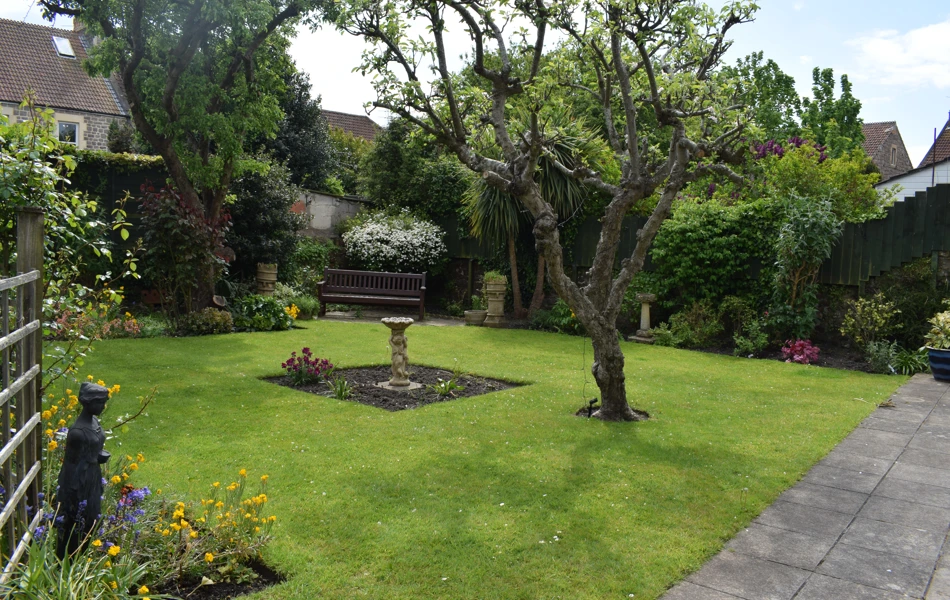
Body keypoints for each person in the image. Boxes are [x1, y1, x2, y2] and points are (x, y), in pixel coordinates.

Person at [55, 382, 110, 558]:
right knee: (77, 520)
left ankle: (83, 556)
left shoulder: (94, 422)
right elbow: (70, 465)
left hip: (92, 476)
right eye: (100, 403)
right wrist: (72, 493)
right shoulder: (77, 433)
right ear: (88, 403)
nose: (103, 406)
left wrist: (97, 456)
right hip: (80, 481)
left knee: (92, 518)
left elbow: (92, 447)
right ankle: (68, 559)